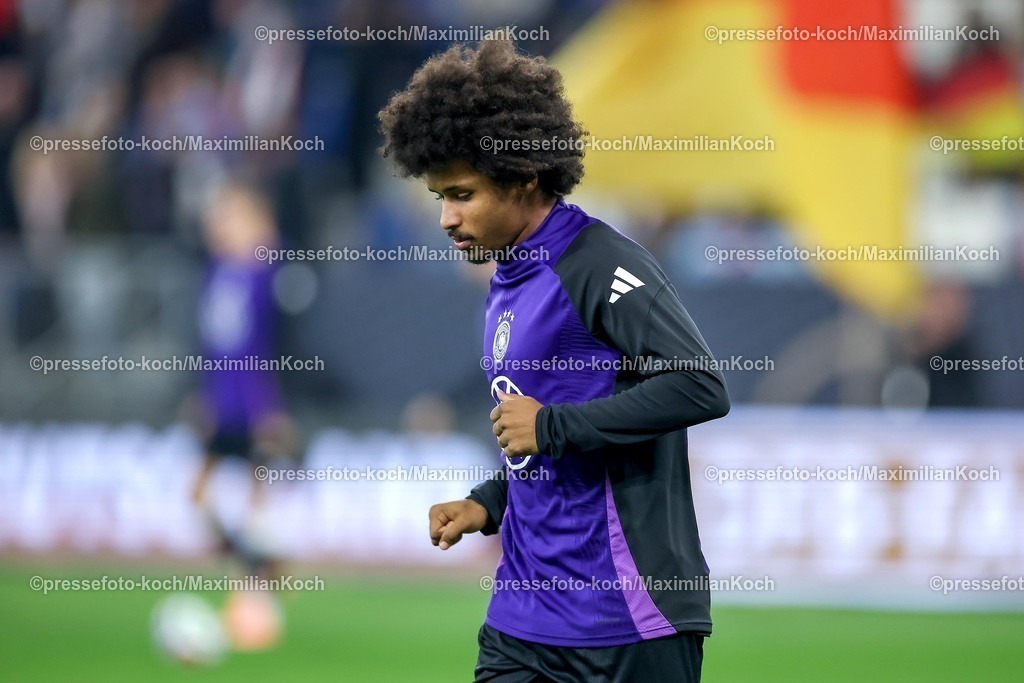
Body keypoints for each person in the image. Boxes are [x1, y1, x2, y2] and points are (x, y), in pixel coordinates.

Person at [379, 38, 730, 682]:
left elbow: (700, 386)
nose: (447, 219)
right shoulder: (509, 276)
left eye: (462, 194)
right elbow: (544, 437)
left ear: (523, 177)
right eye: (439, 199)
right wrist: (491, 500)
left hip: (623, 618)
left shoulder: (602, 263)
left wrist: (552, 426)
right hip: (521, 617)